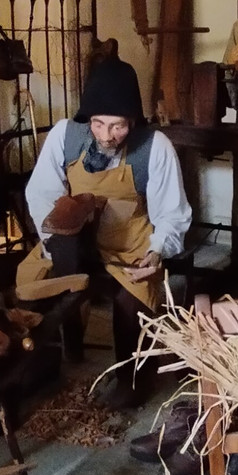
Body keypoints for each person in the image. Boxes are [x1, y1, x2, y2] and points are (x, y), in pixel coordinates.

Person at [19, 50, 192, 407]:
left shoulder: (154, 147)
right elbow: (41, 194)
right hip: (73, 239)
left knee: (133, 302)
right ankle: (40, 368)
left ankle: (131, 382)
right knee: (31, 285)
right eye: (98, 124)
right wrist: (58, 245)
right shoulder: (65, 136)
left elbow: (171, 213)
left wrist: (157, 250)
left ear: (133, 120)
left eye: (117, 126)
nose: (107, 135)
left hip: (129, 244)